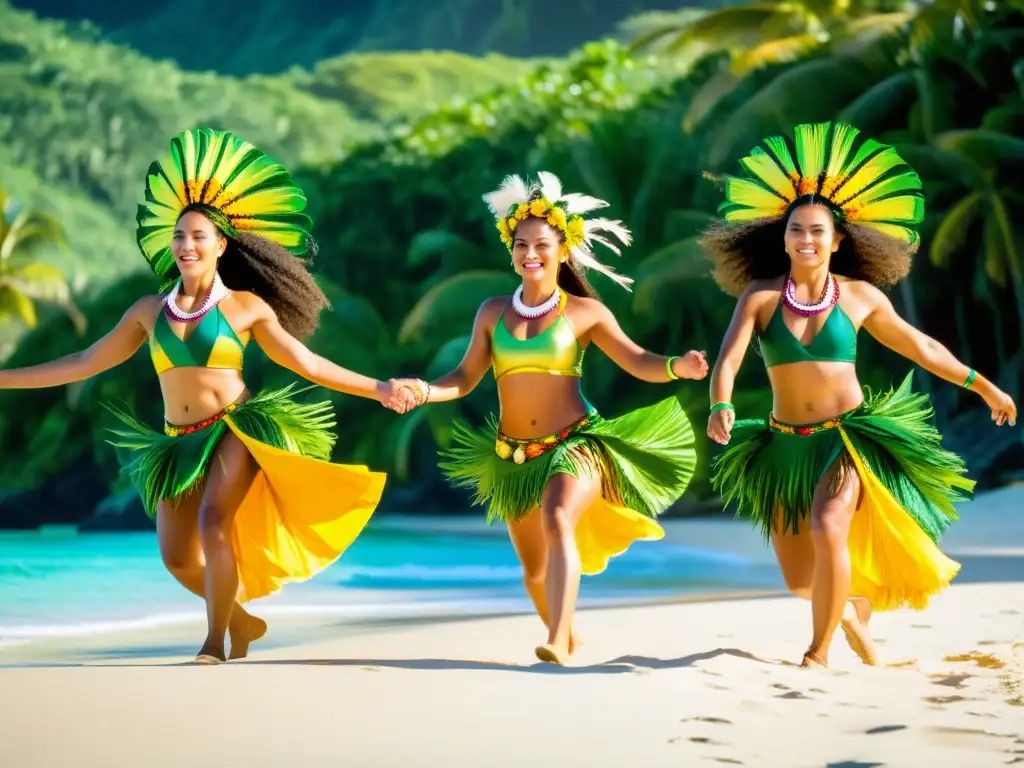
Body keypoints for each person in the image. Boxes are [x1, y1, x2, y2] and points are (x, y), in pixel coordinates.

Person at [0, 128, 416, 664]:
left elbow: (307, 364)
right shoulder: (148, 313)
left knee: (215, 523)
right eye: (179, 236)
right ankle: (240, 621)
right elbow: (84, 363)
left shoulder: (244, 308)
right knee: (177, 559)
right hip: (177, 443)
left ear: (221, 245)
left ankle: (213, 643)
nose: (186, 245)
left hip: (235, 428)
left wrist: (380, 388)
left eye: (198, 236)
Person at [702, 121, 1017, 668]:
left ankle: (817, 653)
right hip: (781, 446)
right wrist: (722, 403)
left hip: (847, 437)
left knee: (829, 527)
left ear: (838, 239)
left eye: (817, 231)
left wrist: (986, 386)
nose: (806, 240)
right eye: (796, 230)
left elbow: (923, 348)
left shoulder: (860, 297)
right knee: (800, 578)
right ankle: (848, 612)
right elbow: (728, 358)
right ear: (782, 237)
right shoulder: (760, 296)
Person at [394, 172, 708, 665]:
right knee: (534, 571)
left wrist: (677, 367)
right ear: (511, 249)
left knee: (558, 517)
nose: (530, 253)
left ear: (564, 250)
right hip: (514, 454)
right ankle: (566, 633)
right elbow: (465, 377)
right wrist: (426, 390)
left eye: (542, 244)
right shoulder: (491, 312)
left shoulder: (586, 313)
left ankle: (557, 638)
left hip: (576, 443)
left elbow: (637, 360)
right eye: (521, 244)